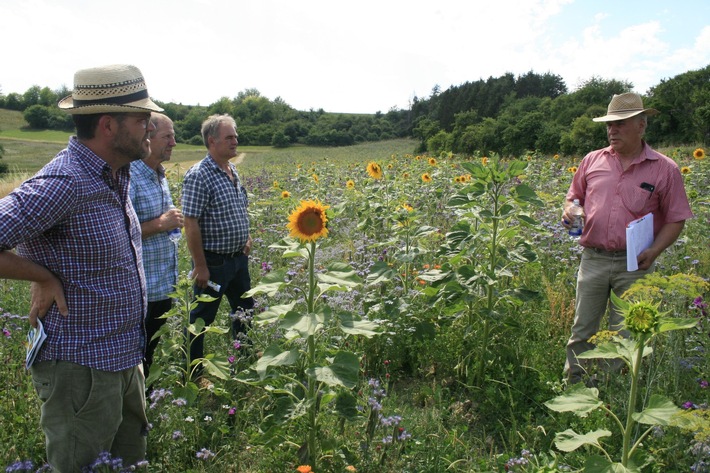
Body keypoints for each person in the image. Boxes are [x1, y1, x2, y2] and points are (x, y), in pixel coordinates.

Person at [0, 64, 163, 471]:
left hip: (124, 359)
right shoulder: (66, 182)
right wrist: (41, 275)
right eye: (142, 119)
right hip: (81, 370)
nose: (151, 127)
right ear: (108, 125)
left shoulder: (115, 172)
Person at [561, 92, 693, 385]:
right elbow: (573, 198)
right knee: (583, 328)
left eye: (621, 123)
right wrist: (571, 210)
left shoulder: (664, 169)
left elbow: (676, 218)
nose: (612, 130)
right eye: (610, 124)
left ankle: (612, 393)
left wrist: (655, 250)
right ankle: (574, 389)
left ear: (642, 125)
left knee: (626, 335)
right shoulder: (592, 160)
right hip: (593, 259)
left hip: (636, 264)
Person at [182, 114, 254, 382]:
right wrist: (200, 266)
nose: (236, 141)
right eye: (229, 137)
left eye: (235, 136)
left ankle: (244, 359)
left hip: (238, 261)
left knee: (244, 311)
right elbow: (190, 222)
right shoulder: (200, 175)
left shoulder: (231, 169)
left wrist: (246, 238)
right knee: (201, 320)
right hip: (213, 264)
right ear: (212, 141)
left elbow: (238, 208)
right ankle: (194, 373)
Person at [129, 112, 183, 387]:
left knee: (151, 352)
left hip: (163, 284)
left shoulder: (159, 174)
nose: (174, 142)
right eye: (168, 136)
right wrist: (162, 223)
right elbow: (119, 229)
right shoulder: (131, 176)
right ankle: (136, 412)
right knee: (137, 356)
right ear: (148, 136)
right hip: (143, 288)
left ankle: (146, 403)